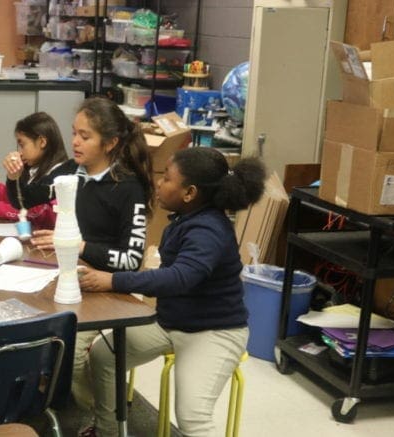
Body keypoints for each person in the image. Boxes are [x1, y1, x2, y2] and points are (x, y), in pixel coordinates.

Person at [77, 147, 267, 437]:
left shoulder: (208, 230)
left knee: (193, 418)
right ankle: (107, 430)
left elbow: (180, 278)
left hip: (214, 332)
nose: (158, 183)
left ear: (189, 193)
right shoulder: (185, 219)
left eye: (166, 178)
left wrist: (114, 281)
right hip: (172, 322)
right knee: (105, 355)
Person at [7, 97, 154, 411]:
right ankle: (39, 395)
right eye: (74, 133)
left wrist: (80, 246)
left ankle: (101, 418)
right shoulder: (75, 172)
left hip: (105, 288)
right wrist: (14, 176)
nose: (74, 141)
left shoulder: (128, 189)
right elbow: (31, 198)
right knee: (16, 318)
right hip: (71, 274)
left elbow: (131, 260)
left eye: (85, 136)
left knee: (68, 354)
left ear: (111, 143)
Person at [0, 111, 68, 230]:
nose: (20, 152)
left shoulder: (58, 176)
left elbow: (34, 211)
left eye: (23, 145)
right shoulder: (35, 169)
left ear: (42, 142)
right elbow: (17, 196)